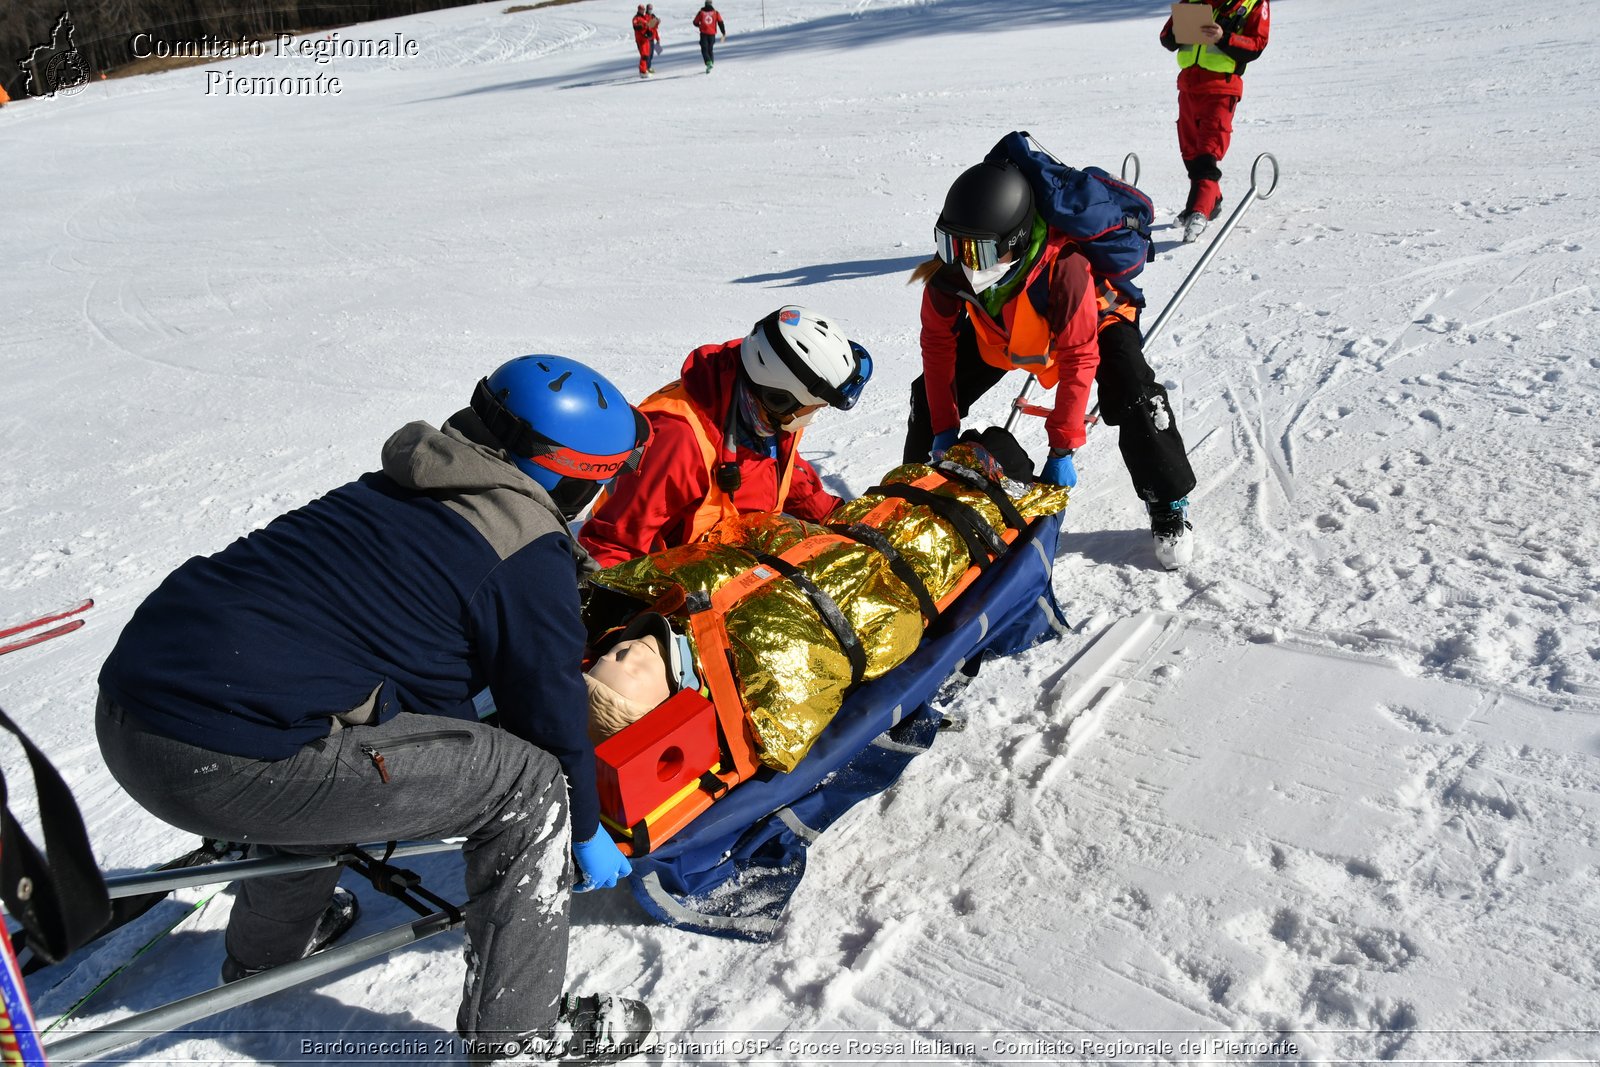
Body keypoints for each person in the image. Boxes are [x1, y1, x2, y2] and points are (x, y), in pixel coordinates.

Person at [95, 355, 655, 1064]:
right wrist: (580, 826)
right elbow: (549, 713)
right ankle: (517, 1032)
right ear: (569, 475)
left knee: (323, 734)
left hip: (132, 709)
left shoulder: (405, 482)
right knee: (530, 785)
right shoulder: (524, 547)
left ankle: (267, 954)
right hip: (219, 760)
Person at [902, 160, 1198, 569]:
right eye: (952, 245)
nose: (966, 262)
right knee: (928, 394)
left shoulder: (1066, 265)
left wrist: (1061, 449)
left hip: (1095, 319)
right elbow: (938, 346)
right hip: (1009, 332)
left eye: (979, 250)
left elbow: (1079, 357)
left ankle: (1167, 500)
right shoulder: (951, 273)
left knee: (1134, 392)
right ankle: (914, 493)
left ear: (1018, 239)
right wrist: (941, 428)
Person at [579, 305, 871, 567]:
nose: (815, 414)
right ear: (779, 397)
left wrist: (840, 518)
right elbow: (614, 543)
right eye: (814, 406)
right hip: (674, 578)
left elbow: (779, 469)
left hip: (736, 561)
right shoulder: (677, 439)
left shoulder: (763, 414)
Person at [1160, 0, 1271, 242]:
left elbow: (1256, 46)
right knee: (1190, 153)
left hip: (1222, 87)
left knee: (1207, 153)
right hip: (1189, 86)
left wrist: (1223, 37)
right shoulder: (1193, 2)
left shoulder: (1253, 4)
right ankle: (1212, 200)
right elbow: (1167, 38)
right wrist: (1181, 29)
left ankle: (1199, 210)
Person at [692, 1, 726, 74]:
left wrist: (699, 25)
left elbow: (695, 22)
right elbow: (720, 22)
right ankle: (710, 65)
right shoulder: (716, 13)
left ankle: (708, 63)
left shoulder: (701, 12)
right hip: (712, 34)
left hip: (704, 34)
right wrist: (723, 32)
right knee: (710, 50)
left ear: (705, 4)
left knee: (704, 49)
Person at [631, 4, 653, 78]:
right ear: (638, 9)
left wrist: (649, 32)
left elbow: (648, 25)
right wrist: (639, 27)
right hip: (640, 39)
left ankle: (645, 69)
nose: (642, 10)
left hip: (646, 39)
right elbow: (635, 26)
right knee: (644, 55)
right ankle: (642, 71)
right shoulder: (636, 18)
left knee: (647, 55)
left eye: (643, 9)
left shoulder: (644, 17)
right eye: (641, 9)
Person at [645, 4, 661, 73]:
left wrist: (657, 39)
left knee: (651, 55)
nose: (650, 10)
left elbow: (655, 30)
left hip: (652, 39)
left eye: (651, 8)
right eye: (649, 8)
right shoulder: (645, 17)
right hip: (647, 39)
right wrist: (653, 22)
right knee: (648, 54)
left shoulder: (652, 16)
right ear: (647, 9)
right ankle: (647, 68)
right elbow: (647, 26)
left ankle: (648, 67)